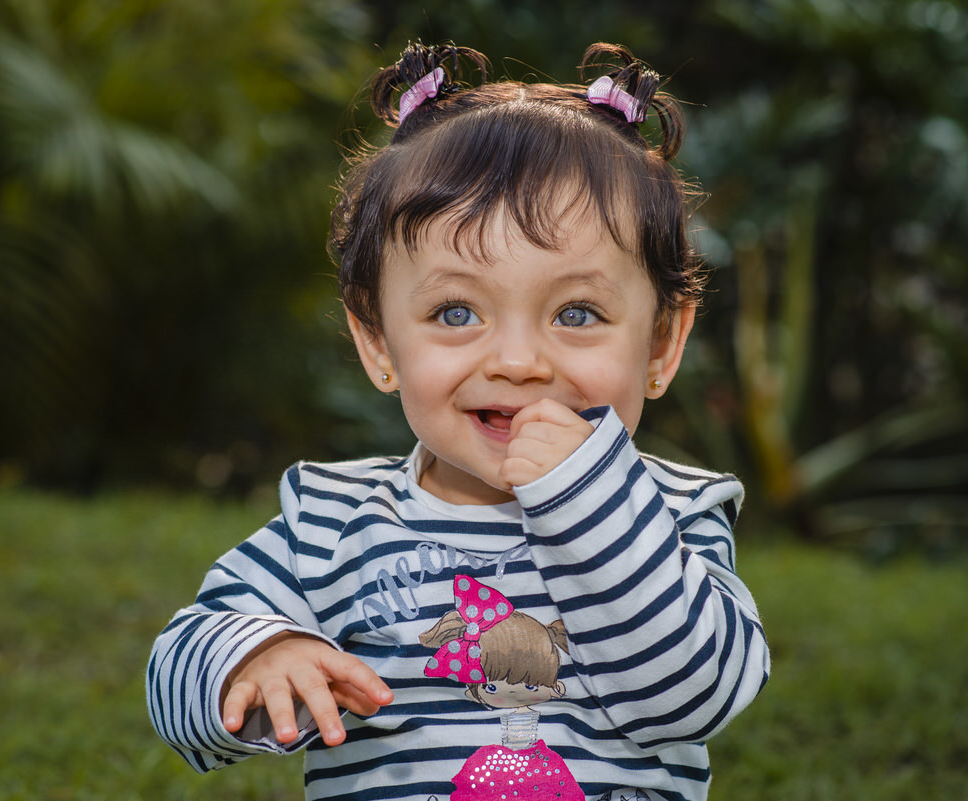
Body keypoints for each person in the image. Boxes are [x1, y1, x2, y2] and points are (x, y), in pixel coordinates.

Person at [147, 40, 769, 801]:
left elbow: (694, 694)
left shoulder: (672, 516)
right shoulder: (330, 524)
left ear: (662, 343)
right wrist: (256, 653)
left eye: (576, 313)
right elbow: (178, 663)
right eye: (455, 311)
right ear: (378, 340)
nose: (516, 359)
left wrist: (592, 498)